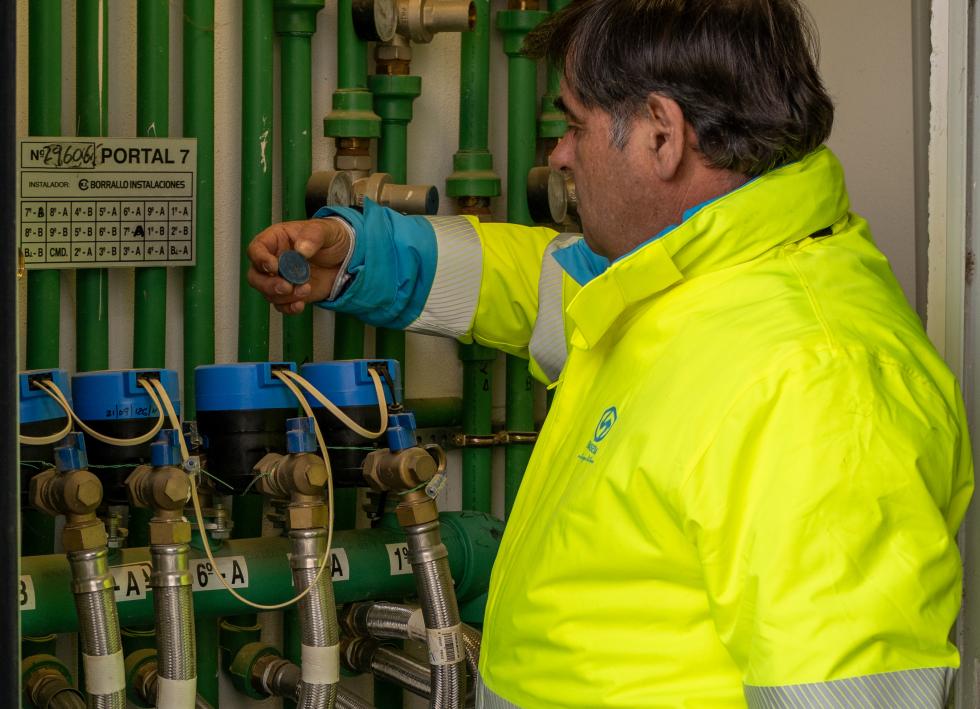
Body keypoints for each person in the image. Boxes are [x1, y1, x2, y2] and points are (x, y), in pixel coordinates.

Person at [247, 0, 974, 706]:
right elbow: (540, 286)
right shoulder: (688, 281)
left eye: (573, 124)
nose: (558, 153)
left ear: (663, 133)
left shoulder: (813, 383)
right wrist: (360, 255)